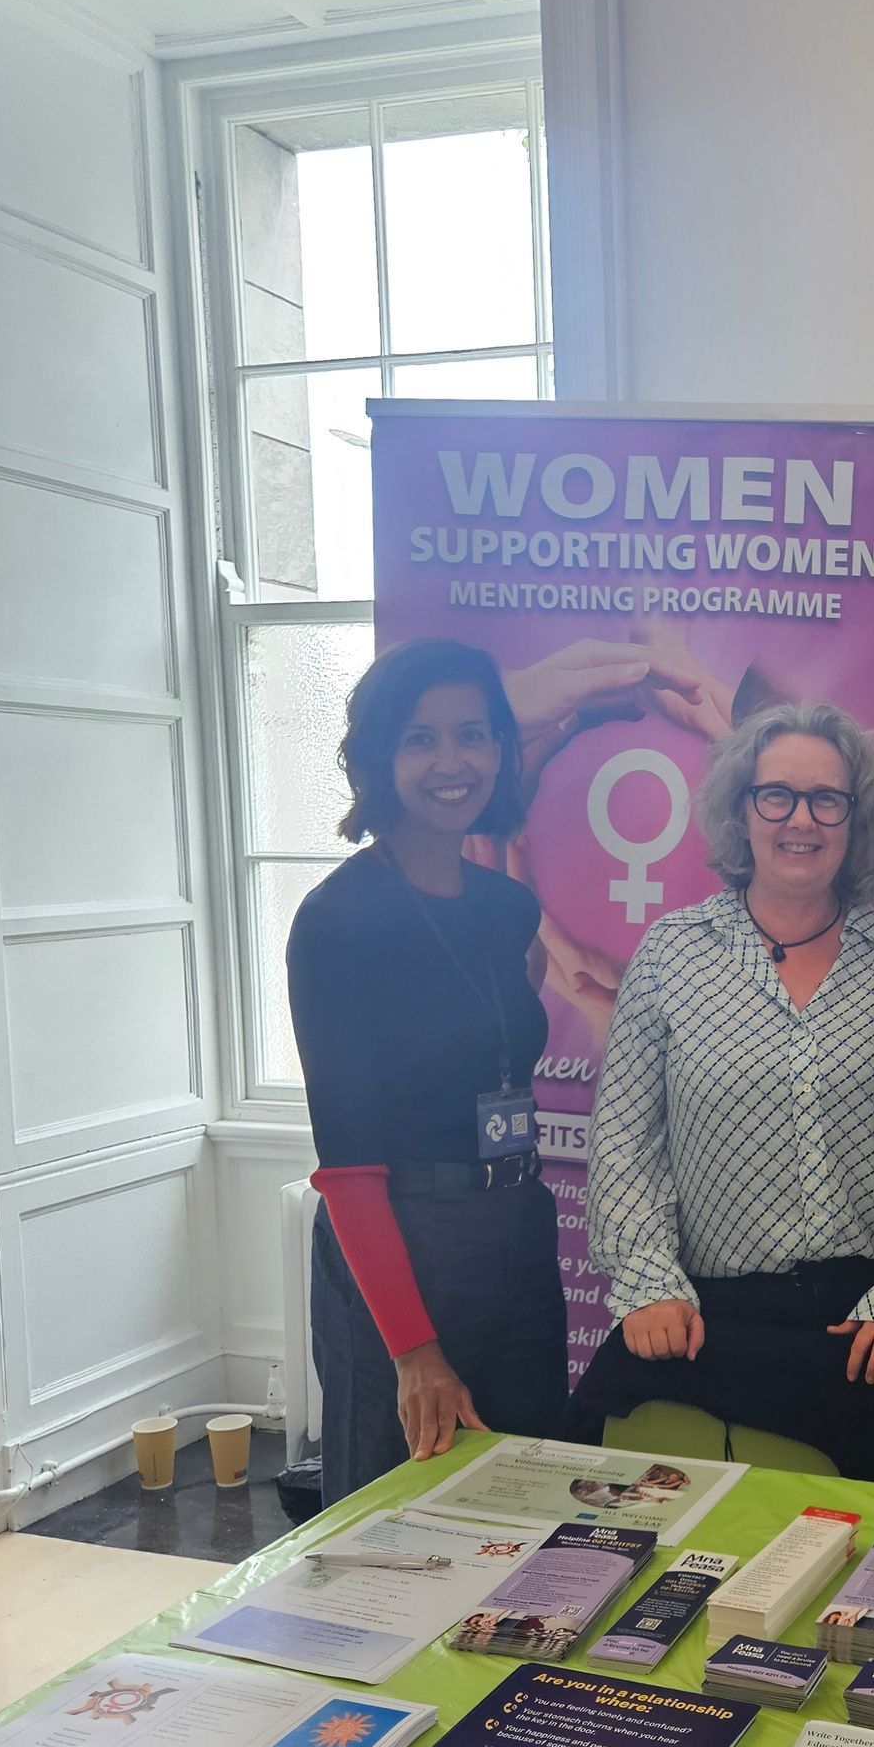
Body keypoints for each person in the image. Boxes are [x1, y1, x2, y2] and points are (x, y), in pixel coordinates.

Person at [573, 701, 874, 1488]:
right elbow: (625, 1142)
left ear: (856, 819)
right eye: (777, 796)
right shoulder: (672, 954)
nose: (803, 819)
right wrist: (650, 1283)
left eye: (828, 798)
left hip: (867, 1330)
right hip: (707, 1326)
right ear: (741, 809)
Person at [288, 638, 569, 1502]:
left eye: (473, 734)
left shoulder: (510, 909)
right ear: (379, 757)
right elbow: (347, 1164)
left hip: (518, 1233)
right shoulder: (337, 922)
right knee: (393, 1524)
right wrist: (414, 1352)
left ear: (499, 751)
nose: (453, 761)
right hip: (402, 1248)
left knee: (526, 1499)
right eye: (420, 739)